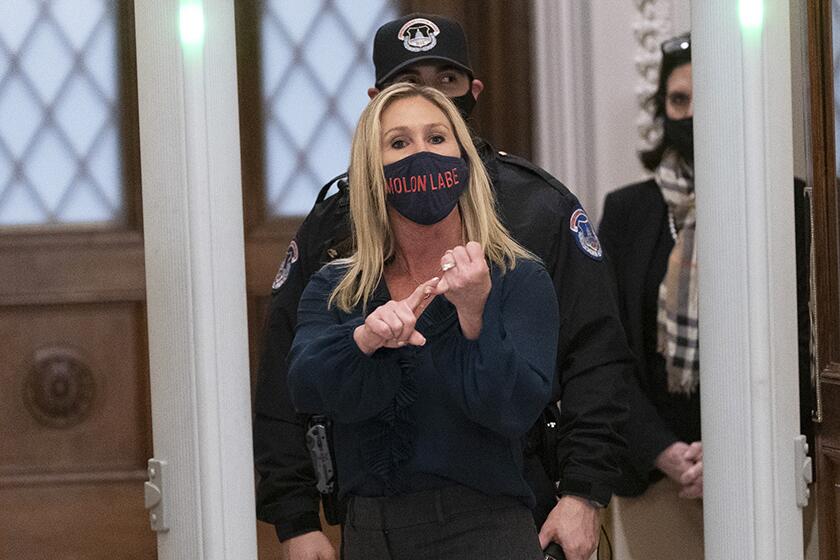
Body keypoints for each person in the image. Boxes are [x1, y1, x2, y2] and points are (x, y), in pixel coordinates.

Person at [254, 13, 632, 560]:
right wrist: (293, 516)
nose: (432, 100)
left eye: (447, 83)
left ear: (472, 91)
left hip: (515, 498)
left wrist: (583, 491)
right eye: (408, 86)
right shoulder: (337, 225)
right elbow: (286, 376)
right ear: (376, 101)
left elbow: (596, 355)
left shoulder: (537, 208)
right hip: (372, 511)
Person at [287, 82, 557, 559]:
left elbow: (513, 410)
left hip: (482, 531)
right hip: (369, 533)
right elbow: (305, 386)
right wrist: (364, 339)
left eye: (436, 138)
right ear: (374, 170)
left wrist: (475, 314)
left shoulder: (518, 277)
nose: (421, 154)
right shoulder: (338, 286)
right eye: (399, 143)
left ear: (464, 159)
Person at [599, 33, 812, 559]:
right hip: (656, 478)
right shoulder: (628, 213)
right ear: (662, 109)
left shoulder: (787, 203)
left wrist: (738, 454)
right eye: (678, 101)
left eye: (705, 95)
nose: (692, 114)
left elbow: (805, 347)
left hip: (766, 476)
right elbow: (604, 350)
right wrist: (667, 453)